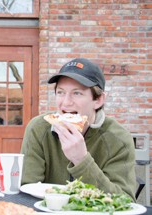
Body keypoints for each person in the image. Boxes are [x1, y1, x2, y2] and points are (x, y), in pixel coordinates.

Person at [20, 58, 136, 200]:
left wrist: (81, 160)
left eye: (77, 93)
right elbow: (27, 189)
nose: (66, 102)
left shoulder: (119, 139)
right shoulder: (38, 128)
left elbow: (125, 201)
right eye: (61, 92)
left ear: (98, 100)